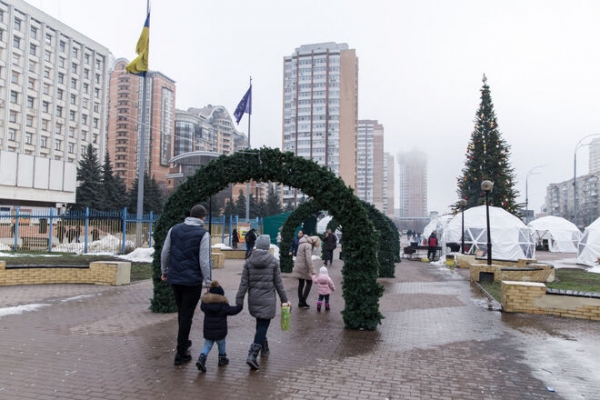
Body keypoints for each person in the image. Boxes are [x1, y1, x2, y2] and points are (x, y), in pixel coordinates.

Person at [161, 204, 212, 366]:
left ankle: (184, 341)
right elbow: (204, 260)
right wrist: (208, 281)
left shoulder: (174, 229)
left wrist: (164, 271)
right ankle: (181, 353)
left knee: (182, 312)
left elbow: (165, 252)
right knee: (187, 315)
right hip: (192, 280)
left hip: (175, 278)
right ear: (203, 217)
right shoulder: (203, 234)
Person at [236, 235, 290, 371]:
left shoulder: (249, 261)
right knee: (263, 325)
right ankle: (253, 354)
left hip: (254, 299)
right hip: (268, 300)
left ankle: (264, 348)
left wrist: (239, 300)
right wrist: (284, 300)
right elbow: (279, 284)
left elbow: (243, 284)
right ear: (267, 246)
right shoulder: (273, 262)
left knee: (260, 323)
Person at [196, 281, 243, 372]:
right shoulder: (223, 305)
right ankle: (222, 358)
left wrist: (206, 294)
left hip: (208, 330)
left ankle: (201, 358)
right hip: (220, 331)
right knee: (221, 344)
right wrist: (240, 306)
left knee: (207, 345)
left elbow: (202, 306)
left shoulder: (205, 304)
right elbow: (232, 310)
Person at [293, 234, 317, 309]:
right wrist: (313, 270)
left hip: (299, 266)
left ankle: (300, 302)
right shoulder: (308, 245)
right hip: (304, 267)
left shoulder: (301, 243)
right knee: (309, 282)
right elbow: (308, 259)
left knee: (301, 284)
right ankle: (303, 300)